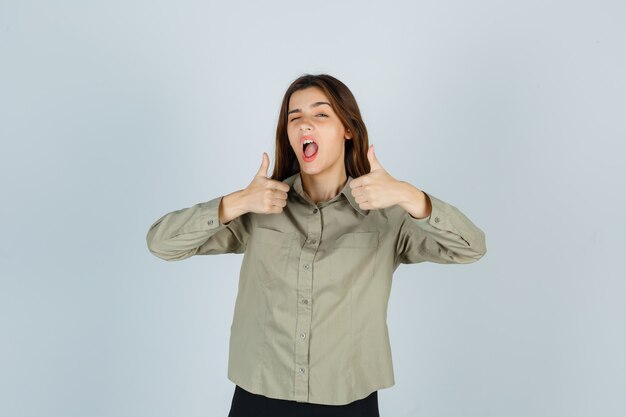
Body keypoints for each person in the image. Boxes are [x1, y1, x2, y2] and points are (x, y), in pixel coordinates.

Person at [146, 73, 487, 417]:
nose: (305, 124)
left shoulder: (387, 215)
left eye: (320, 115)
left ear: (347, 129)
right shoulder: (260, 208)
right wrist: (236, 202)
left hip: (348, 398)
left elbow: (471, 247)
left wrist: (408, 195)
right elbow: (162, 243)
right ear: (288, 135)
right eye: (295, 118)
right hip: (259, 394)